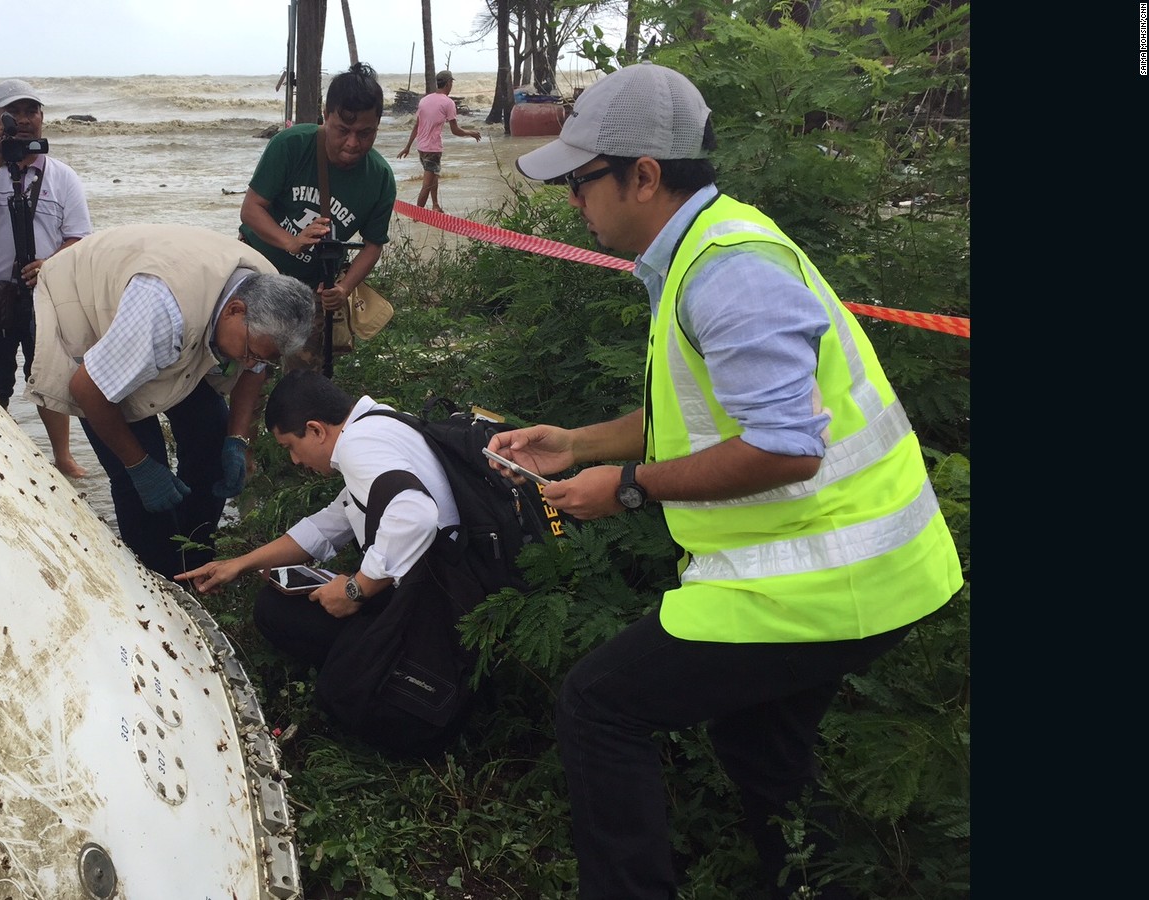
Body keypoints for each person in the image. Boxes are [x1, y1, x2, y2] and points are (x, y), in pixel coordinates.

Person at [493, 62, 964, 900]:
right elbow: (708, 411)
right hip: (860, 571)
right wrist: (579, 443)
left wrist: (628, 487)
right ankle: (812, 883)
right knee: (762, 747)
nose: (574, 202)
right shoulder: (701, 249)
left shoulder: (728, 273)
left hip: (830, 579)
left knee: (601, 706)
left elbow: (786, 447)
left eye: (582, 181)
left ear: (644, 176)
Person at [175, 370, 464, 752]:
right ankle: (364, 660)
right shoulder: (379, 424)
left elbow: (416, 516)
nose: (295, 460)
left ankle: (382, 678)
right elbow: (329, 525)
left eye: (291, 447)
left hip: (437, 610)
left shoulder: (359, 447)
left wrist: (355, 589)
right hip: (435, 589)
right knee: (278, 603)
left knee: (293, 633)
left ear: (315, 430)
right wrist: (239, 564)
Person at [26, 224, 316, 580]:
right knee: (141, 482)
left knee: (212, 444)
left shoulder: (269, 293)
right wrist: (141, 468)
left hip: (181, 322)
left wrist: (237, 439)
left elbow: (256, 366)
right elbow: (89, 389)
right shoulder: (161, 314)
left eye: (260, 357)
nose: (249, 363)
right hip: (81, 302)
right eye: (249, 352)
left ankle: (196, 562)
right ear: (235, 310)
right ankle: (158, 584)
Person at [0, 78, 95, 479]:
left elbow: (79, 239)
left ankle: (62, 457)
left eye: (34, 111)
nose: (27, 120)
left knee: (49, 378)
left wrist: (51, 263)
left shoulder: (62, 175)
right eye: (16, 112)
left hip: (44, 296)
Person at [239, 63, 396, 374]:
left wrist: (344, 289)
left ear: (378, 125)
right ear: (326, 115)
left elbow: (373, 245)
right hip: (258, 276)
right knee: (247, 370)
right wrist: (291, 242)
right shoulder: (291, 145)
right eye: (342, 130)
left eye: (366, 133)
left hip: (313, 291)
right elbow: (252, 208)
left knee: (304, 382)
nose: (353, 143)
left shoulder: (379, 178)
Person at [395, 70, 480, 214]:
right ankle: (418, 215)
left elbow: (417, 126)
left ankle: (435, 205)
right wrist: (470, 133)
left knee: (433, 176)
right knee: (427, 184)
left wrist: (408, 147)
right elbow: (455, 130)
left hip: (421, 147)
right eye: (451, 82)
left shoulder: (424, 100)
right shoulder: (448, 103)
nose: (451, 85)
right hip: (433, 149)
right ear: (448, 83)